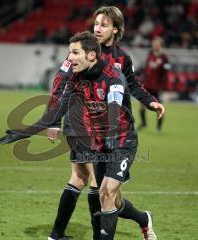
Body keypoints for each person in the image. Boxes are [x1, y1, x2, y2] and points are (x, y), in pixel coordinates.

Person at [0, 30, 157, 240]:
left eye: (74, 53)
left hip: (122, 140)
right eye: (70, 52)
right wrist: (25, 132)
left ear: (91, 55)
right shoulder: (75, 78)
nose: (70, 58)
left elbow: (113, 107)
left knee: (106, 193)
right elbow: (58, 110)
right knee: (112, 199)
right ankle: (144, 219)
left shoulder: (113, 78)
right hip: (100, 142)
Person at [46, 6, 162, 240]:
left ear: (115, 30)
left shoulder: (121, 59)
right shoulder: (83, 51)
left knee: (108, 194)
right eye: (96, 23)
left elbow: (133, 85)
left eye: (104, 25)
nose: (98, 28)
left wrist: (150, 102)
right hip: (81, 125)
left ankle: (141, 219)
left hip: (114, 131)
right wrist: (54, 119)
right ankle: (60, 234)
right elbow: (61, 84)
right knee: (86, 180)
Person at [138, 36, 170, 132]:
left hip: (157, 87)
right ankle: (144, 124)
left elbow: (166, 74)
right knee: (141, 106)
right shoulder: (150, 54)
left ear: (160, 46)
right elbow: (146, 69)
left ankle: (158, 127)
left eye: (157, 44)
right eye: (154, 44)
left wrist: (164, 88)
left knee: (159, 107)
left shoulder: (165, 58)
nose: (155, 46)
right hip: (147, 85)